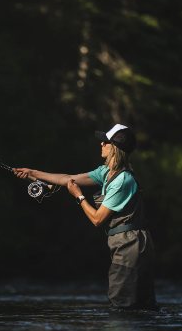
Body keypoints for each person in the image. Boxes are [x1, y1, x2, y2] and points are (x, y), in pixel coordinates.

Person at [15, 124, 159, 312]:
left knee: (121, 307)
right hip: (133, 244)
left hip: (130, 247)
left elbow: (97, 219)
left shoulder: (123, 180)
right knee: (144, 308)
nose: (101, 143)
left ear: (115, 148)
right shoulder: (106, 172)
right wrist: (32, 173)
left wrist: (79, 196)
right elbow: (67, 179)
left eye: (105, 141)